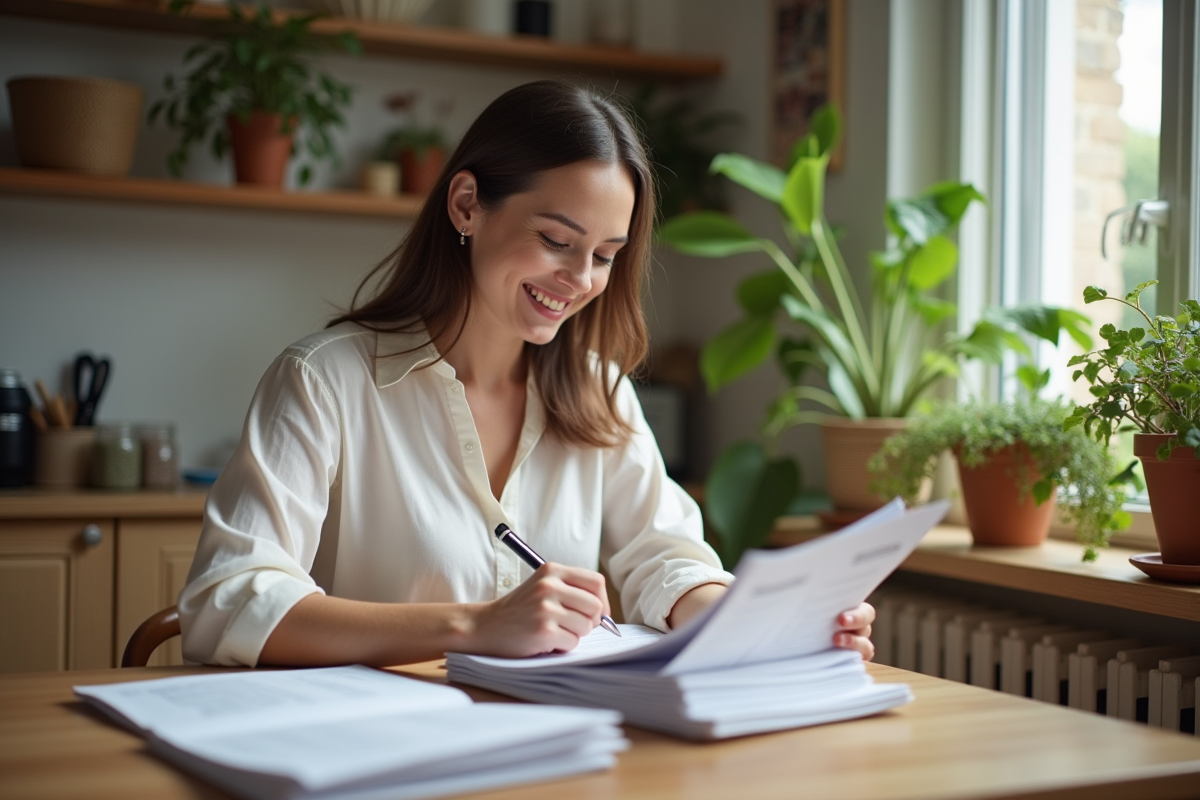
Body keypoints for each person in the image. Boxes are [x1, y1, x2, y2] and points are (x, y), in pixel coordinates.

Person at [178, 80, 875, 668]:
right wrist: (474, 627)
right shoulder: (323, 382)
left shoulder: (600, 392)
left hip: (550, 757)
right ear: (465, 206)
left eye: (605, 255)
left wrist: (770, 628)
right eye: (556, 241)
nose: (579, 280)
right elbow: (227, 600)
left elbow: (669, 560)